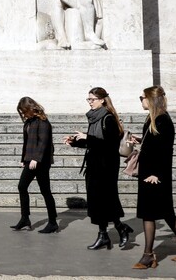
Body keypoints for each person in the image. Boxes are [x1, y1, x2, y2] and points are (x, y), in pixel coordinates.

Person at [129, 86, 176, 269]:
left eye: (142, 97)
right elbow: (154, 144)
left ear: (151, 99)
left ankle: (148, 256)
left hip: (155, 175)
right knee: (166, 212)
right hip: (150, 173)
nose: (140, 101)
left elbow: (165, 151)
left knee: (148, 214)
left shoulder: (163, 120)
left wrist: (156, 174)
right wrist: (139, 139)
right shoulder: (153, 119)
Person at [64, 87, 132, 249]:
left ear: (102, 100)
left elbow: (109, 145)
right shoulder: (94, 118)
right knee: (97, 202)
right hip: (94, 164)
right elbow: (93, 143)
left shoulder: (108, 118)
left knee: (106, 200)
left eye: (92, 99)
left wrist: (87, 137)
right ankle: (105, 235)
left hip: (106, 166)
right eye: (88, 99)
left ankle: (117, 228)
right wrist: (75, 142)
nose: (90, 102)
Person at [11, 97, 58, 233]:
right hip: (30, 160)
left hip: (41, 162)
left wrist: (36, 159)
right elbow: (27, 143)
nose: (23, 114)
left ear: (30, 108)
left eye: (24, 111)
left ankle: (53, 222)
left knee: (45, 191)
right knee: (22, 187)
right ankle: (25, 219)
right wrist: (23, 159)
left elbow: (43, 142)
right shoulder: (29, 122)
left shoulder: (43, 122)